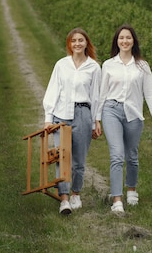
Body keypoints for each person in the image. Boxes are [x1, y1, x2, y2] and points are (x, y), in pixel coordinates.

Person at [95, 24, 152, 214]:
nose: (124, 41)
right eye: (121, 38)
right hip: (112, 111)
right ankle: (117, 199)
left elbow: (150, 94)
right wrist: (97, 118)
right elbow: (102, 94)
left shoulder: (142, 66)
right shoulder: (109, 64)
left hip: (134, 114)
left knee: (132, 156)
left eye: (128, 38)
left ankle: (131, 189)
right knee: (117, 155)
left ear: (133, 41)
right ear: (116, 42)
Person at [43, 27, 102, 215]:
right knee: (62, 157)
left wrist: (95, 122)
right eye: (73, 41)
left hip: (83, 114)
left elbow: (96, 96)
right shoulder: (61, 65)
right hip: (62, 115)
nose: (77, 44)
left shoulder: (93, 67)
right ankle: (64, 199)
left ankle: (76, 192)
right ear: (69, 44)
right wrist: (48, 118)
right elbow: (53, 91)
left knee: (78, 160)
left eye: (81, 40)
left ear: (86, 43)